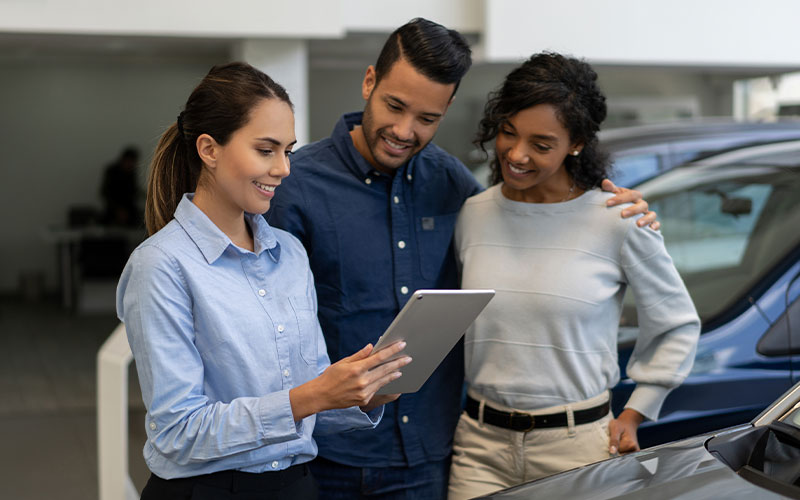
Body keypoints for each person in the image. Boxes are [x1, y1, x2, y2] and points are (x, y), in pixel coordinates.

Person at [268, 19, 658, 499]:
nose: (404, 131)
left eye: (427, 118)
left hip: (432, 457)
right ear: (369, 82)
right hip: (327, 458)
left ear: (447, 109)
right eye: (394, 106)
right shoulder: (294, 187)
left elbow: (532, 232)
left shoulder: (455, 187)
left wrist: (609, 206)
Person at [116, 62, 411, 500]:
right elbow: (178, 432)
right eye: (266, 150)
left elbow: (309, 394)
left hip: (297, 486)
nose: (284, 168)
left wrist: (359, 395)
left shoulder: (290, 253)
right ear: (209, 149)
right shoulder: (160, 265)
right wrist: (310, 396)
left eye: (288, 151)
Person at [447, 52, 701, 499]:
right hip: (480, 447)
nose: (517, 154)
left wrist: (638, 411)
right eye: (508, 131)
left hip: (578, 448)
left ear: (576, 143)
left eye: (541, 144)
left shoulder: (617, 219)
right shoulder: (474, 214)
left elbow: (677, 324)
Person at [100, 146, 142, 226]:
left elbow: (132, 193)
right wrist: (118, 210)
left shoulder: (131, 173)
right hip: (112, 209)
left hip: (128, 209)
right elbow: (106, 192)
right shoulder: (112, 172)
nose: (131, 164)